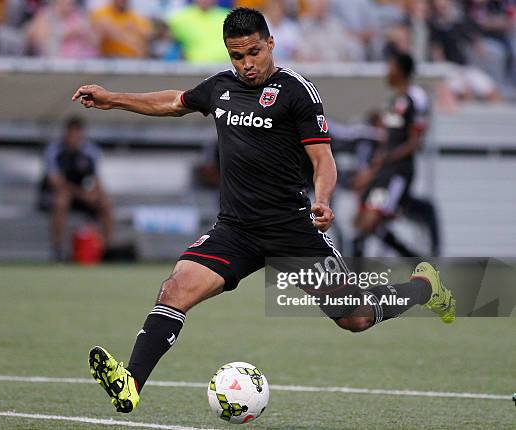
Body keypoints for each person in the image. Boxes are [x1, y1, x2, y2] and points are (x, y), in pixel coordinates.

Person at [72, 8, 455, 414]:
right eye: (237, 56)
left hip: (292, 230)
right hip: (235, 230)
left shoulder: (296, 92)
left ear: (270, 43)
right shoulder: (220, 88)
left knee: (355, 317)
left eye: (254, 52)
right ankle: (131, 383)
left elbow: (323, 160)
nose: (247, 64)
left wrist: (322, 200)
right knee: (174, 289)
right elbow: (173, 102)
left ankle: (424, 287)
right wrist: (112, 99)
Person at [352, 53, 432, 257]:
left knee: (370, 222)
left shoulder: (416, 97)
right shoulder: (393, 101)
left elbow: (415, 140)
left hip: (397, 173)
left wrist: (388, 158)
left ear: (402, 71)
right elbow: (386, 140)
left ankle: (353, 278)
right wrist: (372, 169)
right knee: (361, 223)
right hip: (383, 172)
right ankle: (412, 258)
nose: (387, 72)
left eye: (391, 67)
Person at [40, 117, 113, 261]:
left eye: (77, 133)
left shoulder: (90, 151)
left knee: (105, 203)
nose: (74, 137)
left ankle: (105, 248)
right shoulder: (54, 151)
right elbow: (56, 182)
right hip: (58, 194)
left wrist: (95, 194)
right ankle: (58, 248)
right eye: (71, 133)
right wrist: (82, 194)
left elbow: (96, 180)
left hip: (81, 196)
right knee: (61, 200)